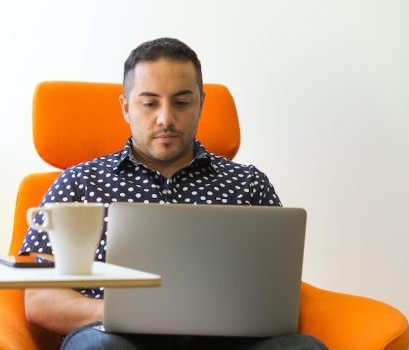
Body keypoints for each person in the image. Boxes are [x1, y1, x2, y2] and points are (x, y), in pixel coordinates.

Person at [18, 38, 328, 350]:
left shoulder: (249, 183)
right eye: (149, 103)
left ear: (201, 104)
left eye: (181, 102)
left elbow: (277, 293)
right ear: (126, 108)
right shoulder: (79, 184)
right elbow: (40, 298)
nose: (165, 118)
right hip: (115, 338)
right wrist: (127, 314)